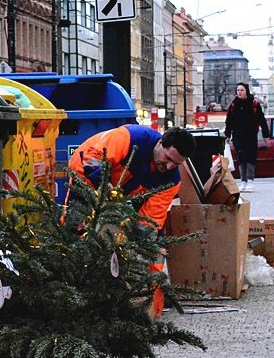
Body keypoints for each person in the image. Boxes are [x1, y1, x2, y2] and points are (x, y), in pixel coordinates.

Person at [68, 125, 196, 315]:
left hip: (126, 194)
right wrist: (108, 194)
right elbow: (92, 160)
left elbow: (151, 221)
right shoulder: (130, 138)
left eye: (175, 164)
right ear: (160, 143)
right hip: (86, 178)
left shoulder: (171, 180)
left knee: (152, 242)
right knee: (77, 231)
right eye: (168, 159)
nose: (168, 166)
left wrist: (141, 249)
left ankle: (146, 302)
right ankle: (71, 290)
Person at [224, 83, 270, 192]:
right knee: (241, 158)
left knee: (250, 157)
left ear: (246, 91)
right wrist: (228, 135)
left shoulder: (254, 104)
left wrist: (266, 136)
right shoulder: (234, 105)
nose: (239, 92)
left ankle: (250, 180)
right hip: (238, 136)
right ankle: (243, 180)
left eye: (242, 90)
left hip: (250, 135)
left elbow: (262, 121)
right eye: (238, 90)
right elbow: (229, 121)